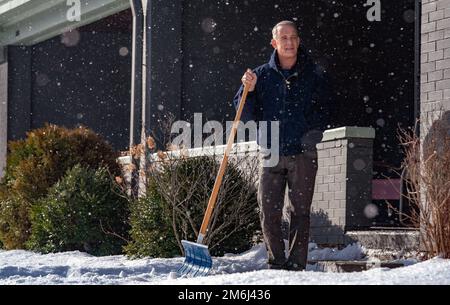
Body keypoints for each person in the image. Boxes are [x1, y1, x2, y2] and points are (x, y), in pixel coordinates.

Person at [233, 20, 332, 271]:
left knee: (300, 211)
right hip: (272, 151)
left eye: (293, 38)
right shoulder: (260, 75)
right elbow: (244, 114)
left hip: (303, 151)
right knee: (269, 211)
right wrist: (250, 91)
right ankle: (276, 261)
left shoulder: (314, 74)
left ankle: (297, 264)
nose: (289, 42)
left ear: (298, 41)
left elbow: (326, 108)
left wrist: (313, 133)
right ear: (274, 42)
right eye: (283, 38)